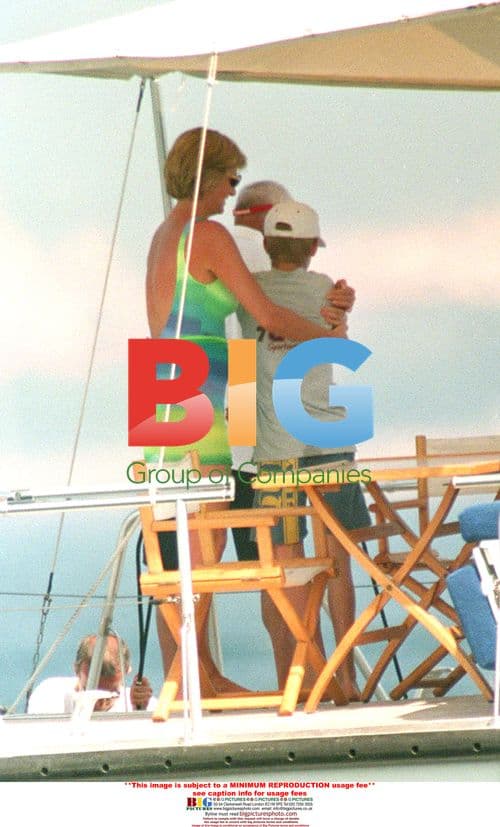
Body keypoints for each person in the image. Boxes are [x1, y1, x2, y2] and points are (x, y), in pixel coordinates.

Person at [145, 129, 347, 686]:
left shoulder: (166, 233)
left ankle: (194, 679)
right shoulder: (205, 233)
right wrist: (329, 339)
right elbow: (268, 314)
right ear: (209, 177)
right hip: (202, 381)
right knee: (203, 550)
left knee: (186, 552)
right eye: (231, 180)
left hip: (168, 378)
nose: (233, 195)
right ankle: (192, 683)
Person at [237, 200, 372, 701]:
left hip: (277, 455)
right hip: (332, 443)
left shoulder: (249, 294)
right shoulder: (324, 290)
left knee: (286, 564)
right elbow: (340, 346)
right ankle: (348, 679)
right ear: (315, 248)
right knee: (338, 566)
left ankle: (299, 678)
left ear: (268, 246)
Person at [27, 634, 155, 714]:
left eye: (111, 694)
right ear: (76, 669)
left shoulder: (146, 704)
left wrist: (139, 712)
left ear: (127, 671)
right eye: (91, 690)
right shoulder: (49, 693)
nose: (99, 703)